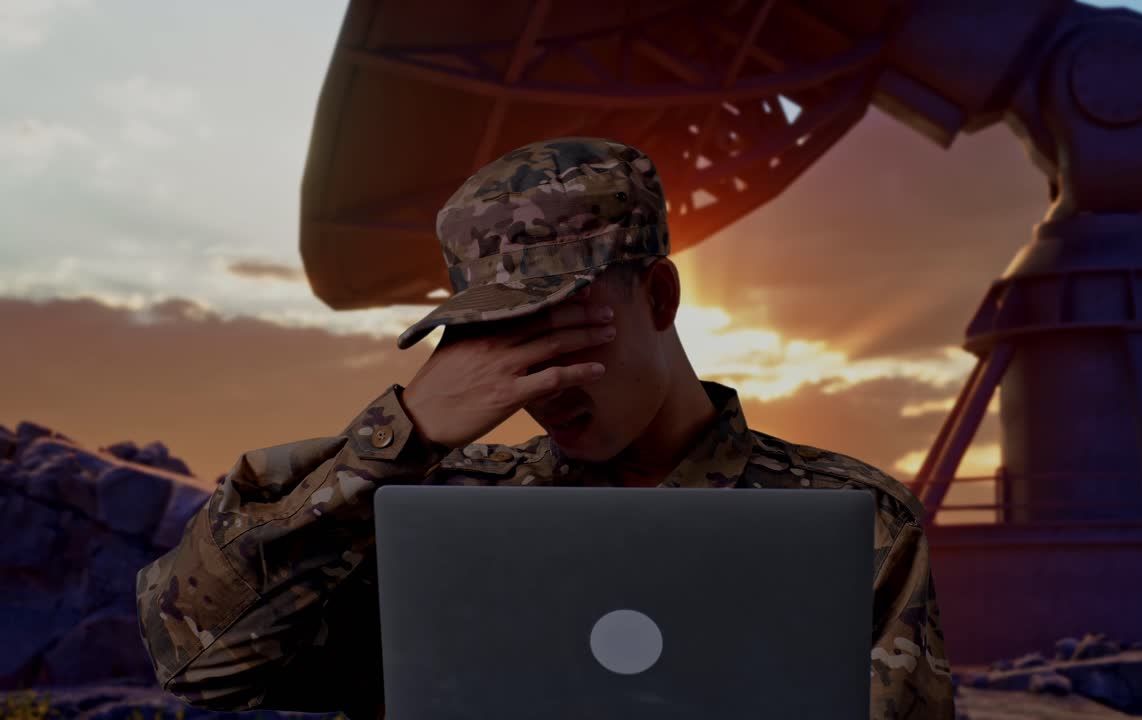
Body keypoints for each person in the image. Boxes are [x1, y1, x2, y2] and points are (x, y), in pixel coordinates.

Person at [135, 137, 955, 720]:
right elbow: (201, 663)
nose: (535, 381)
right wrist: (399, 434)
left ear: (660, 299)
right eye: (498, 339)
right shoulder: (429, 510)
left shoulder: (850, 520)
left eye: (561, 332)